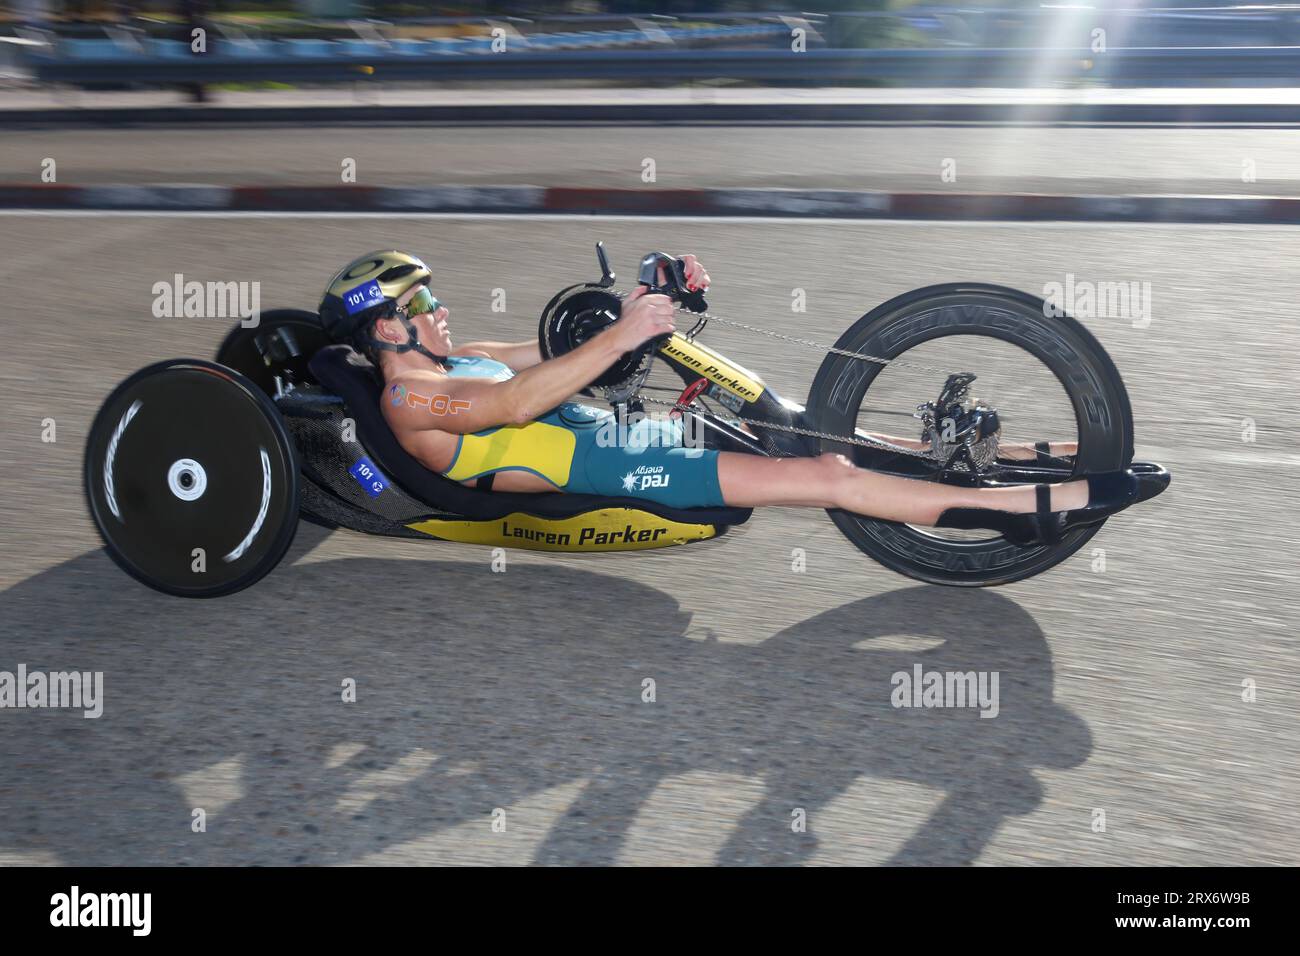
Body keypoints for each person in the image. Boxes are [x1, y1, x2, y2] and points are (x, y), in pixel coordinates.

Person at [318, 251, 1161, 544]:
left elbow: (554, 347)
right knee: (825, 476)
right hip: (618, 465)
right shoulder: (408, 406)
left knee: (824, 435)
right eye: (421, 304)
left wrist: (654, 302)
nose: (442, 310)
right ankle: (1034, 507)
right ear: (385, 330)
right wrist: (619, 339)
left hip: (611, 423)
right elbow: (504, 411)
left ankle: (1025, 455)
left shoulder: (457, 356)